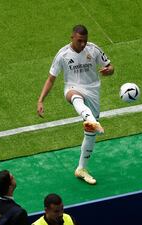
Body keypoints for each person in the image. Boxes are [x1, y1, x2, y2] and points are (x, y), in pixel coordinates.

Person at [37, 24, 114, 185]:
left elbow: (110, 66)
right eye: (80, 41)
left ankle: (81, 169)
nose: (83, 44)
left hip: (93, 90)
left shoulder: (93, 50)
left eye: (85, 41)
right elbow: (51, 79)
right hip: (72, 88)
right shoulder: (63, 55)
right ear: (72, 37)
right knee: (75, 98)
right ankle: (90, 119)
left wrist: (109, 70)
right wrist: (41, 99)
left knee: (90, 134)